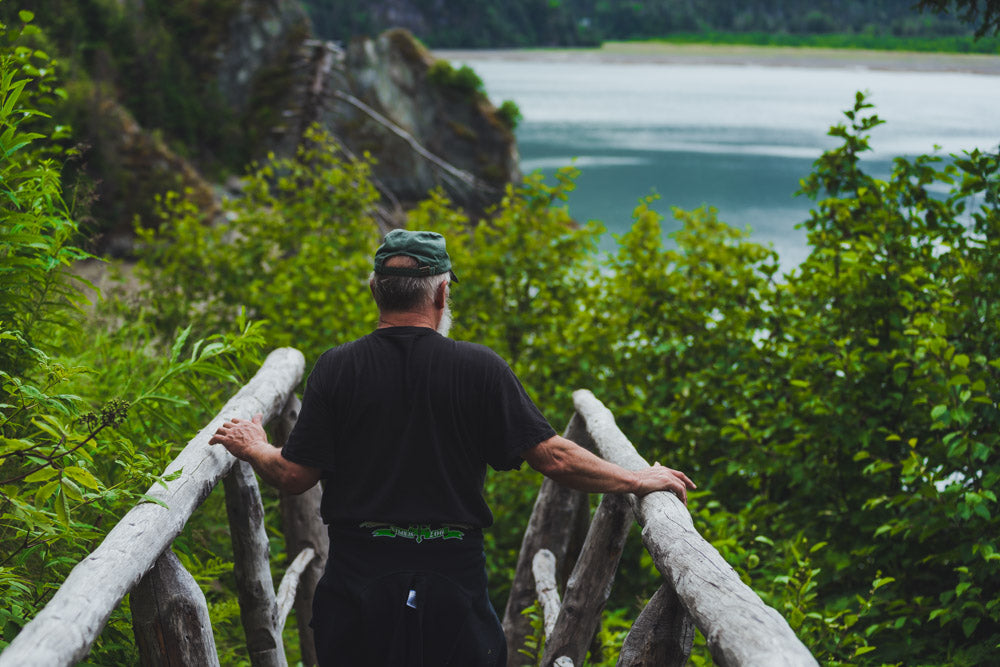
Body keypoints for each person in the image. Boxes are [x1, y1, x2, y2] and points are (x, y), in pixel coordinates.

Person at [209, 229, 695, 666]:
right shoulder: (480, 368)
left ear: (376, 290)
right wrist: (636, 479)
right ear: (442, 292)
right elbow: (553, 455)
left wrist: (254, 446)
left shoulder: (338, 368)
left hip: (359, 577)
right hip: (452, 580)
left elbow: (293, 476)